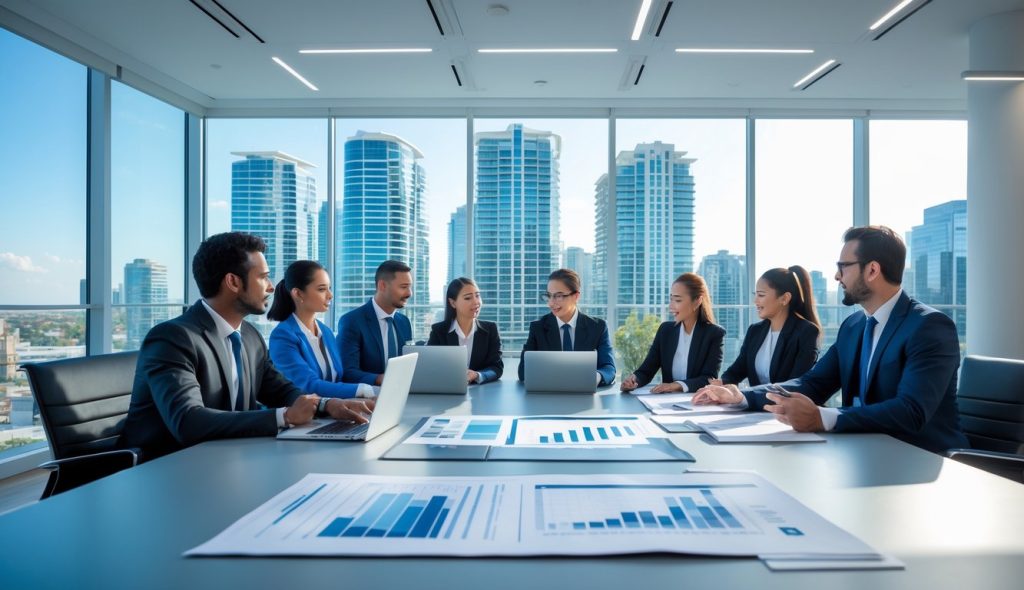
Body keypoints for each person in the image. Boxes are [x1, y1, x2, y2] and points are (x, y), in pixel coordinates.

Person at [693, 225, 969, 454]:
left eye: (843, 267)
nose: (837, 276)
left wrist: (823, 418)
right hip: (865, 451)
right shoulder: (854, 325)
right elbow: (813, 382)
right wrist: (740, 395)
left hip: (922, 459)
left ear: (872, 270)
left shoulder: (929, 327)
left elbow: (911, 411)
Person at [120, 233, 374, 462]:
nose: (272, 286)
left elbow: (279, 390)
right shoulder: (172, 338)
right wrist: (284, 416)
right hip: (168, 468)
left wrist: (327, 405)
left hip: (228, 460)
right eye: (263, 277)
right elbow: (188, 421)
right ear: (233, 282)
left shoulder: (250, 335)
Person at [267, 260, 377, 399]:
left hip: (335, 412)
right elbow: (307, 385)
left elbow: (338, 380)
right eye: (321, 289)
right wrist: (362, 389)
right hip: (303, 416)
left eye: (329, 288)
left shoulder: (326, 332)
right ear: (298, 294)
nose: (330, 295)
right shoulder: (283, 336)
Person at [620, 273, 725, 393]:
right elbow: (646, 371)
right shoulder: (665, 330)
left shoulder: (714, 334)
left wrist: (675, 385)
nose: (671, 306)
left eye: (678, 300)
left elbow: (708, 379)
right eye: (671, 299)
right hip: (666, 403)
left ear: (697, 301)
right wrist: (633, 381)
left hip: (697, 402)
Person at [716, 266, 821, 387]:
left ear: (785, 298)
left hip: (784, 404)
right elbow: (738, 369)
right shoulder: (754, 331)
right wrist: (721, 382)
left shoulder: (806, 332)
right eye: (755, 295)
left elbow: (796, 385)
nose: (755, 301)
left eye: (761, 295)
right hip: (755, 403)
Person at [518, 268, 615, 386]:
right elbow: (523, 372)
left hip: (585, 396)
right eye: (549, 296)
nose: (551, 303)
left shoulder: (598, 327)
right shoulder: (538, 328)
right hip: (549, 394)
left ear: (576, 296)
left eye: (558, 296)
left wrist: (595, 377)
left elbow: (609, 368)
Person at [338, 260, 414, 386]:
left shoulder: (404, 322)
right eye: (403, 287)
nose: (409, 293)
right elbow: (347, 372)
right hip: (366, 397)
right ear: (382, 286)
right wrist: (382, 379)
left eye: (410, 287)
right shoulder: (352, 321)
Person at [427, 277, 503, 384]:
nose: (476, 302)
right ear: (453, 303)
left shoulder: (491, 329)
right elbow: (431, 366)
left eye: (477, 295)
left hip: (481, 394)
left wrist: (477, 375)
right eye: (468, 298)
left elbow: (496, 367)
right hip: (448, 391)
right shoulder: (439, 331)